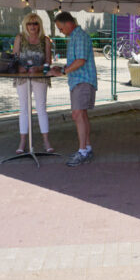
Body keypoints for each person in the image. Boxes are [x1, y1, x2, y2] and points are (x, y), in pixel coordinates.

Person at [52, 11, 98, 166]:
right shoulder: (75, 37)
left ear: (68, 24)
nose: (60, 31)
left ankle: (83, 151)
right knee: (81, 115)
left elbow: (80, 61)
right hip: (79, 81)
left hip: (82, 81)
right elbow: (77, 61)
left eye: (60, 28)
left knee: (77, 115)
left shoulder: (79, 37)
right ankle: (87, 148)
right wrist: (62, 68)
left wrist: (64, 71)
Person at [12, 13, 53, 154]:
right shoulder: (20, 38)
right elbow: (14, 58)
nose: (32, 26)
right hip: (22, 77)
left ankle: (46, 140)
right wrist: (20, 67)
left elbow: (48, 61)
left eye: (35, 23)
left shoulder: (45, 40)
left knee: (41, 108)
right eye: (29, 23)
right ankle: (23, 141)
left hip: (40, 77)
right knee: (24, 109)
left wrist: (39, 68)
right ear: (25, 25)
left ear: (40, 25)